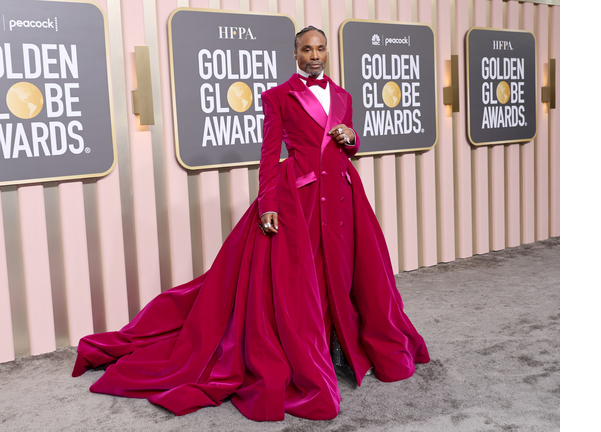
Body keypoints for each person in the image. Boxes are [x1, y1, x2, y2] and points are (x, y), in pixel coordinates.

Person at [72, 26, 430, 422]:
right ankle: (312, 354)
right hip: (301, 198)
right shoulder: (278, 97)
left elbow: (348, 147)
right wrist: (267, 203)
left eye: (321, 49)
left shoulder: (343, 95)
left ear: (328, 53)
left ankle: (342, 346)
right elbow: (268, 152)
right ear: (295, 53)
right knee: (300, 281)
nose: (315, 55)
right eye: (307, 49)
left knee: (349, 274)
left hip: (345, 197)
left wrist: (352, 137)